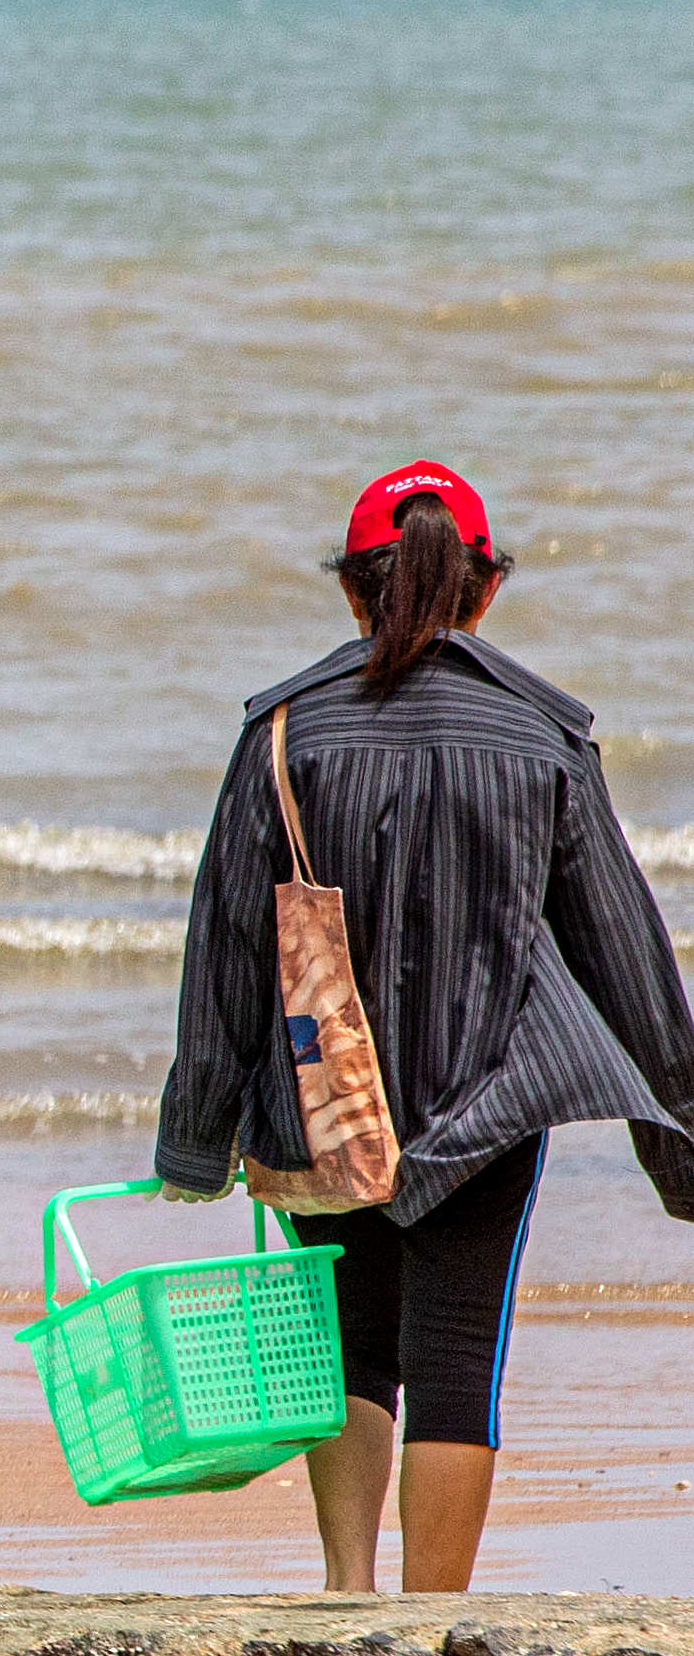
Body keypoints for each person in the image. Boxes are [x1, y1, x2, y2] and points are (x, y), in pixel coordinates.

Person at [154, 460, 694, 1594]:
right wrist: (677, 1141)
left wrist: (196, 1142)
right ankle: (428, 1622)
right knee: (456, 1357)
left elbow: (227, 950)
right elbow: (624, 953)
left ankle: (347, 1593)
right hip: (492, 1097)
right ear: (482, 589)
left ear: (357, 590)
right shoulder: (546, 736)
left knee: (348, 1343)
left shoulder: (282, 731)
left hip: (320, 1094)